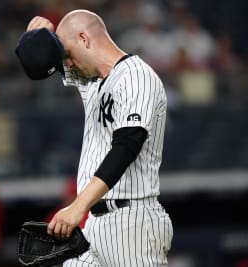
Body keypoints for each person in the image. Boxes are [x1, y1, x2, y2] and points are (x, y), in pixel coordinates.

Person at [16, 9, 173, 267]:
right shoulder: (91, 81)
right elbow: (38, 66)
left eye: (67, 55)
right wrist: (34, 38)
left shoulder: (136, 76)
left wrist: (78, 206)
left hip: (132, 223)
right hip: (94, 225)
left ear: (84, 39)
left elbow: (127, 146)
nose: (66, 64)